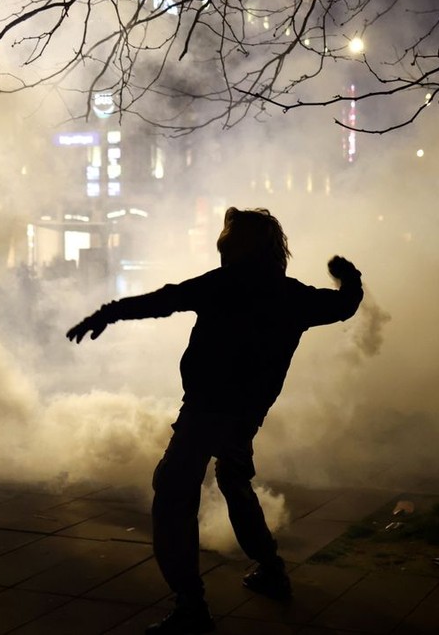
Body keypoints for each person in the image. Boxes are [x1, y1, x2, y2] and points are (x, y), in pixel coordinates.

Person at [66, 207, 364, 635]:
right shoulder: (291, 296)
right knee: (233, 480)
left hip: (206, 409)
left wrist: (108, 312)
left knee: (173, 491)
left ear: (237, 247)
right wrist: (347, 274)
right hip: (246, 414)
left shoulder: (225, 285)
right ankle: (270, 567)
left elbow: (163, 300)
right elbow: (345, 304)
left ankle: (192, 607)